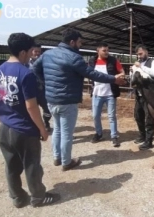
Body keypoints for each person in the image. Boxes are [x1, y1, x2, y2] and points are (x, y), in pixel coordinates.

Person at [32, 28, 126, 171]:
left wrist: (47, 83)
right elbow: (92, 74)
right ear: (72, 42)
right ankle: (66, 162)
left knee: (57, 129)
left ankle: (57, 158)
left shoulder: (47, 54)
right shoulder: (73, 57)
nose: (80, 45)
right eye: (79, 42)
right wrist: (113, 79)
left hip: (51, 99)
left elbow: (34, 69)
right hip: (67, 100)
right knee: (66, 133)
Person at [0, 33, 60, 208]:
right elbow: (31, 106)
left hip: (5, 127)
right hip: (24, 129)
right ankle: (38, 197)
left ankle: (18, 198)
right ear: (23, 52)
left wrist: (2, 118)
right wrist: (42, 129)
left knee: (11, 165)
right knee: (31, 165)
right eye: (30, 51)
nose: (31, 55)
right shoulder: (26, 74)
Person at [87, 42, 125, 147]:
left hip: (110, 93)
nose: (107, 52)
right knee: (95, 115)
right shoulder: (92, 61)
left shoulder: (113, 60)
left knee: (111, 116)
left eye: (108, 50)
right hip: (96, 93)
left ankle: (114, 136)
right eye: (104, 50)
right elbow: (89, 73)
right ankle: (99, 133)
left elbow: (122, 73)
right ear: (98, 51)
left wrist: (117, 77)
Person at [132, 44, 154, 150]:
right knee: (138, 116)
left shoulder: (153, 62)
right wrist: (132, 73)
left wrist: (141, 67)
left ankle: (149, 141)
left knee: (149, 118)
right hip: (139, 95)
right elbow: (134, 80)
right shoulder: (136, 65)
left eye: (141, 53)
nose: (139, 56)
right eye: (137, 54)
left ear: (146, 52)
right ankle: (142, 136)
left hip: (150, 96)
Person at [27, 44, 52, 132]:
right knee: (32, 109)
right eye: (35, 51)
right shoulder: (26, 63)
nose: (37, 53)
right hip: (31, 90)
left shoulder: (45, 62)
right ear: (31, 51)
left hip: (43, 90)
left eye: (39, 52)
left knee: (47, 110)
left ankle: (46, 122)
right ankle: (35, 125)